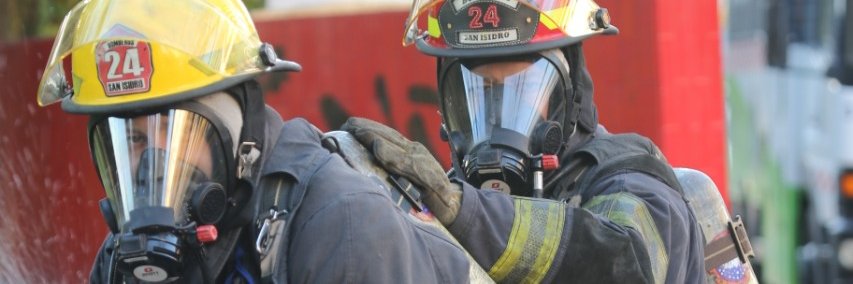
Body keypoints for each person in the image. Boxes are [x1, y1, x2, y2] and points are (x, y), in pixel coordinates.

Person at [36, 0, 482, 283]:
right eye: (130, 139)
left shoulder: (340, 226)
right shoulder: (122, 262)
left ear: (236, 134)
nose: (150, 164)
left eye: (174, 134)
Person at [343, 0, 706, 283]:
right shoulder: (443, 202)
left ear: (568, 94)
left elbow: (625, 264)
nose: (497, 114)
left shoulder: (636, 184)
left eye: (522, 86)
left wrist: (465, 211)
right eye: (480, 91)